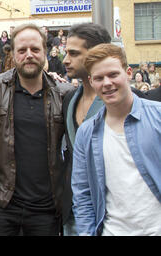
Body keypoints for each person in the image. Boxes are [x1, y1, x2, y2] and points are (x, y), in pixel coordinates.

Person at [0, 23, 65, 236]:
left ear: (45, 53)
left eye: (35, 49)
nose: (28, 55)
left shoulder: (63, 93)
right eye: (22, 50)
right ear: (13, 54)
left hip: (46, 208)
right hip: (2, 204)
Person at [72, 43, 161, 236]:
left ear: (128, 73)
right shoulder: (86, 133)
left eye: (113, 74)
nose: (107, 83)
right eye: (99, 78)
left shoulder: (158, 116)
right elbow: (82, 194)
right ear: (91, 81)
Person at [61, 22, 113, 236]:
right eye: (65, 53)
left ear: (96, 54)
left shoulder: (121, 101)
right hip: (74, 214)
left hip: (113, 214)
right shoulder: (69, 98)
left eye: (73, 53)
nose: (65, 60)